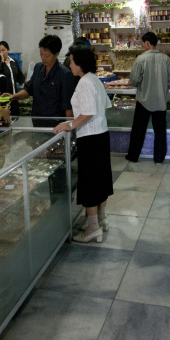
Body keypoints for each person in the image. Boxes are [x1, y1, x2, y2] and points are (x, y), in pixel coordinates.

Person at [53, 47, 113, 243]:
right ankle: (101, 220)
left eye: (71, 61)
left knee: (90, 182)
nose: (70, 65)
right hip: (101, 134)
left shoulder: (84, 82)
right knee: (101, 179)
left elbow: (87, 113)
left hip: (90, 138)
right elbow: (104, 105)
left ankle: (93, 228)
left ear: (80, 63)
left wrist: (69, 125)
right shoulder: (94, 79)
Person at [126, 31, 170, 165]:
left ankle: (133, 156)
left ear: (147, 43)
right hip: (161, 100)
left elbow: (134, 80)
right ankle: (159, 158)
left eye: (143, 43)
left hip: (144, 100)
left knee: (138, 129)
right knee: (160, 130)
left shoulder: (140, 59)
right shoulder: (165, 58)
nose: (143, 46)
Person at [6, 35, 74, 123]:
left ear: (56, 54)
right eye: (41, 54)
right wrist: (13, 97)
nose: (43, 58)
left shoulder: (65, 74)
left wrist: (67, 129)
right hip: (36, 119)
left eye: (47, 55)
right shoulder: (38, 68)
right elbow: (28, 89)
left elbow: (68, 106)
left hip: (55, 122)